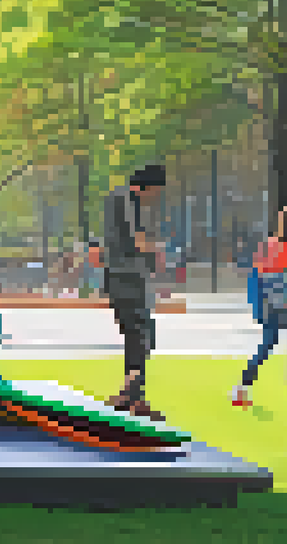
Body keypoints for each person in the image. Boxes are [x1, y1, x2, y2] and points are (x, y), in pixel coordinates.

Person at [232, 203, 287, 406]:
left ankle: (244, 385)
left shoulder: (269, 245)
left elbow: (257, 275)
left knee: (269, 343)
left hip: (272, 303)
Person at [102, 164, 168, 420]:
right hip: (129, 276)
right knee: (143, 333)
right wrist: (157, 249)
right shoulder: (129, 200)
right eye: (154, 191)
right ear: (147, 186)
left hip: (117, 275)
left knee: (133, 331)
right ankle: (134, 397)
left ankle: (129, 393)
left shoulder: (114, 198)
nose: (154, 197)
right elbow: (135, 238)